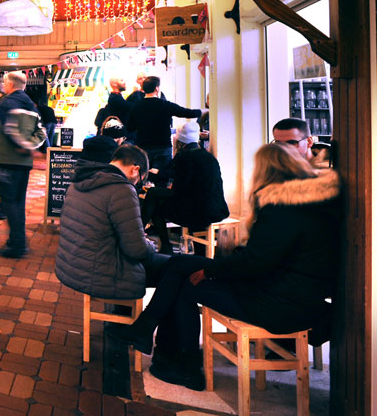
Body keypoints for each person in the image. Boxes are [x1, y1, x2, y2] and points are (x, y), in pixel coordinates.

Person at [110, 143, 341, 389]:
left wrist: (211, 270)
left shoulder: (283, 207)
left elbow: (256, 262)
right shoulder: (311, 202)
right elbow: (265, 257)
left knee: (185, 284)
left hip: (277, 302)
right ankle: (147, 332)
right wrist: (220, 266)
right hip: (286, 291)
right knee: (178, 264)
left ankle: (186, 366)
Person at [57, 145, 167, 300]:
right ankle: (146, 321)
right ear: (135, 169)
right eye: (140, 180)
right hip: (101, 273)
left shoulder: (81, 179)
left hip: (71, 266)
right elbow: (137, 250)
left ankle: (133, 317)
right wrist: (150, 244)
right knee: (175, 268)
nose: (137, 184)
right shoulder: (122, 189)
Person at [141, 121, 229, 254]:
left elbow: (178, 191)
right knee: (156, 197)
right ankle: (154, 240)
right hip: (217, 209)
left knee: (155, 202)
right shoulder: (209, 157)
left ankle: (159, 242)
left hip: (198, 212)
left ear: (180, 142)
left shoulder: (185, 158)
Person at [0, 71, 42, 257]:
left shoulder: (6, 102)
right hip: (24, 163)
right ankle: (16, 241)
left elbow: (9, 129)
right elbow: (42, 132)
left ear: (9, 84)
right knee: (18, 203)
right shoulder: (32, 106)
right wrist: (29, 146)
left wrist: (20, 145)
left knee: (9, 203)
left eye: (4, 82)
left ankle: (18, 245)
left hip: (6, 160)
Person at [127, 76, 201, 172]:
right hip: (163, 147)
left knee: (143, 177)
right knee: (161, 177)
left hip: (143, 148)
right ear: (157, 88)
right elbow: (186, 113)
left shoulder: (135, 106)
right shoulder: (165, 105)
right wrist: (203, 111)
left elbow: (130, 128)